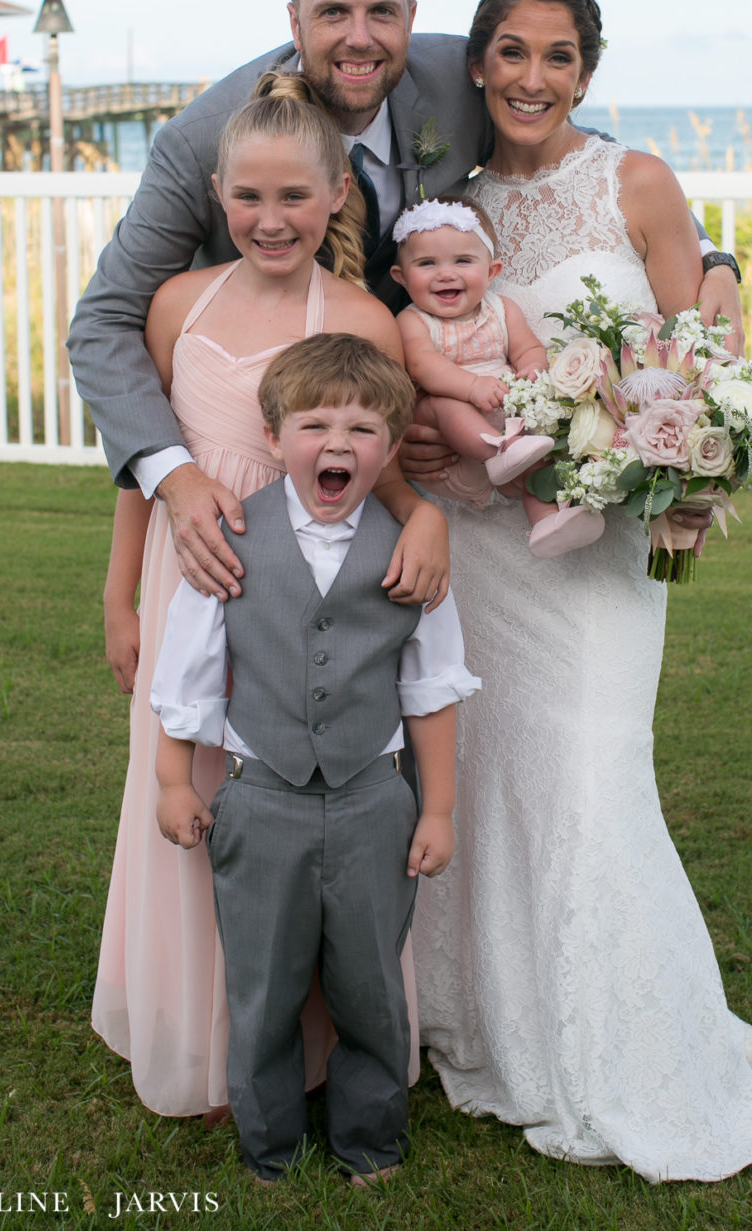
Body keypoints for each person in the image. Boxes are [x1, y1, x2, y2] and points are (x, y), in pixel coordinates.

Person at [413, 0, 752, 1182]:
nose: (533, 77)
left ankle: (620, 1050)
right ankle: (494, 1021)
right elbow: (422, 334)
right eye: (511, 52)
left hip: (599, 558)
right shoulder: (454, 203)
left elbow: (700, 341)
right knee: (487, 772)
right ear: (478, 60)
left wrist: (686, 458)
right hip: (478, 539)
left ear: (586, 70)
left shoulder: (634, 181)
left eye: (558, 56)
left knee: (591, 767)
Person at [67, 0, 743, 605]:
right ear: (295, 22)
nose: (360, 37)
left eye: (381, 12)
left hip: (418, 467)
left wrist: (715, 256)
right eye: (334, 12)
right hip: (264, 459)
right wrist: (174, 476)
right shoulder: (205, 141)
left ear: (411, 17)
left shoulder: (460, 78)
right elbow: (104, 323)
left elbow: (574, 147)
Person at [95, 75, 447, 1119]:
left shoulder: (356, 318)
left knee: (299, 803)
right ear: (215, 192)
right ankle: (201, 1035)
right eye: (247, 197)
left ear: (337, 196)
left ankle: (318, 1035)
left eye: (294, 197)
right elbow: (141, 464)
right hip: (186, 576)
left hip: (305, 593)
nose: (269, 219)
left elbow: (381, 472)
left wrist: (424, 517)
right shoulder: (174, 305)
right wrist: (122, 596)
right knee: (191, 786)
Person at [151, 333, 480, 1183]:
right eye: (316, 424)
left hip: (376, 800)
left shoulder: (413, 549)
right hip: (261, 801)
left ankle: (369, 1137)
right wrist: (172, 778)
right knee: (263, 981)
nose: (338, 444)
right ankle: (268, 1144)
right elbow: (187, 670)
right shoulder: (231, 535)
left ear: (392, 446)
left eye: (365, 429)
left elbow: (431, 689)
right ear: (274, 436)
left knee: (370, 981)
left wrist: (436, 808)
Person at [390, 197, 602, 557]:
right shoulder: (412, 321)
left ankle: (548, 522)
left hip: (513, 435)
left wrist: (532, 370)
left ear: (492, 271)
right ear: (401, 277)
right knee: (444, 404)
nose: (446, 273)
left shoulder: (502, 310)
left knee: (539, 463)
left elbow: (529, 350)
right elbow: (423, 365)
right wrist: (472, 386)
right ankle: (498, 449)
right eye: (427, 263)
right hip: (451, 445)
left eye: (463, 261)